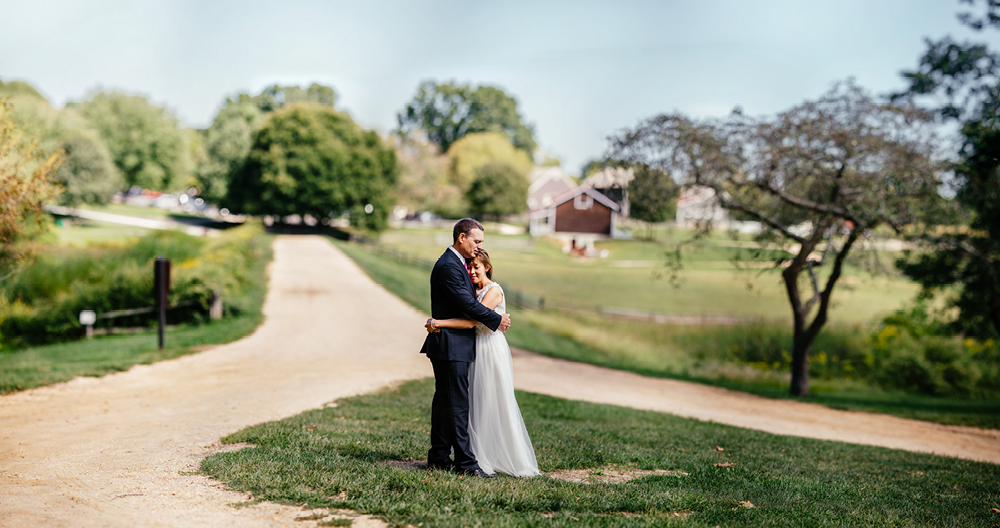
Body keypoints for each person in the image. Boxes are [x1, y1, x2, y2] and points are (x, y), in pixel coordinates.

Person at [426, 250, 539, 478]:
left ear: (487, 267)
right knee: (474, 402)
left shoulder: (494, 291)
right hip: (474, 349)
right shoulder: (473, 291)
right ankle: (477, 452)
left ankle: (496, 456)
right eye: (469, 267)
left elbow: (471, 322)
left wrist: (437, 322)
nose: (472, 271)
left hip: (490, 350)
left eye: (477, 266)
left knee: (492, 400)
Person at [420, 218, 511, 479]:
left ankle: (438, 456)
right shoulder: (449, 266)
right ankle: (466, 464)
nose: (479, 246)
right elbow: (467, 305)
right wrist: (497, 319)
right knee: (457, 405)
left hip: (452, 344)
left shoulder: (456, 264)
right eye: (476, 240)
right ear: (462, 237)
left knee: (445, 402)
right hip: (451, 345)